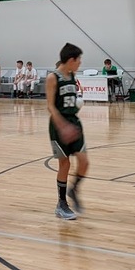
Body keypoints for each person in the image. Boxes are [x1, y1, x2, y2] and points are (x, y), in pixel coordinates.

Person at [47, 43, 88, 220]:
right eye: (78, 60)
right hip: (59, 125)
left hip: (74, 122)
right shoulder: (52, 77)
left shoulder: (72, 75)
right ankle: (61, 204)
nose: (80, 63)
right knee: (65, 164)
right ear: (71, 60)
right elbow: (50, 106)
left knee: (84, 161)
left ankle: (74, 189)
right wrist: (63, 126)